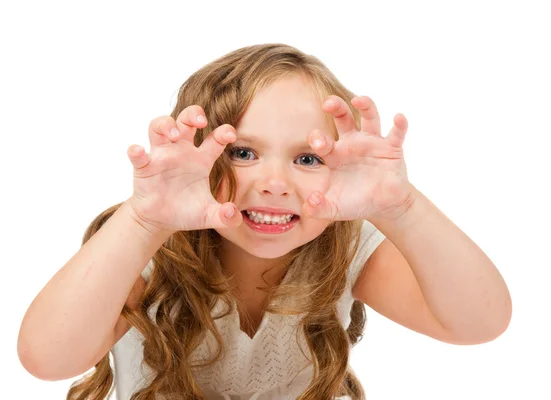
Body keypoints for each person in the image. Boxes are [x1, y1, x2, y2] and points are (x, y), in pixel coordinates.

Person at [17, 43, 512, 400]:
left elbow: (478, 322)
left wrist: (398, 206)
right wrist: (145, 221)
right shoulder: (147, 246)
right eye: (243, 152)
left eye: (308, 159)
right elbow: (47, 359)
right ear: (195, 154)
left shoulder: (345, 244)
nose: (275, 183)